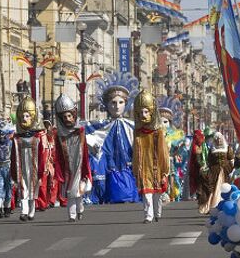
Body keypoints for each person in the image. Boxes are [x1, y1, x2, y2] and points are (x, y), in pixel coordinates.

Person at [86, 72, 139, 203]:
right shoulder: (100, 126)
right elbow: (86, 135)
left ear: (126, 104)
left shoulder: (133, 126)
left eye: (121, 102)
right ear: (107, 104)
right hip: (109, 169)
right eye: (113, 102)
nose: (117, 106)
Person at [53, 94, 92, 222]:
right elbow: (58, 153)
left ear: (74, 115)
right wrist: (58, 168)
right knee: (71, 192)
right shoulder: (59, 135)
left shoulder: (80, 131)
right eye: (64, 117)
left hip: (79, 167)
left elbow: (85, 150)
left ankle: (79, 210)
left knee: (78, 192)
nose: (67, 119)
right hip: (67, 168)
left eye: (69, 116)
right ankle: (72, 215)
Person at [132, 90, 170, 223]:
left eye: (146, 112)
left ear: (152, 112)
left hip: (157, 167)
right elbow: (136, 151)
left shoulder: (158, 132)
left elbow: (163, 152)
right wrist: (136, 167)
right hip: (144, 167)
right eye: (141, 112)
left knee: (157, 194)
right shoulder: (137, 132)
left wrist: (165, 170)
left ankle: (157, 213)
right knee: (146, 193)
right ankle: (148, 216)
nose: (143, 115)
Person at [11, 97, 47, 221]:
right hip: (21, 168)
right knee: (23, 187)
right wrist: (13, 173)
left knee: (32, 189)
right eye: (22, 117)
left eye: (27, 116)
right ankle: (24, 211)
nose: (24, 119)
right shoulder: (17, 138)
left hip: (34, 168)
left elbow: (42, 155)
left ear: (32, 117)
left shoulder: (37, 137)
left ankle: (31, 210)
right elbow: (13, 156)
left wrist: (42, 171)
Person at [202, 132, 234, 212]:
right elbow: (209, 160)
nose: (219, 141)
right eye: (217, 139)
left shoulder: (227, 148)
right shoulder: (212, 149)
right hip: (214, 171)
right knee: (213, 187)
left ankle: (225, 205)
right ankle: (214, 205)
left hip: (225, 170)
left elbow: (231, 158)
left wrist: (231, 168)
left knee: (225, 186)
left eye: (220, 139)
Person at [0, 120, 14, 218]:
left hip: (8, 167)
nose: (1, 136)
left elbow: (14, 157)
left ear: (6, 134)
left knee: (8, 188)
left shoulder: (11, 143)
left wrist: (15, 169)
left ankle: (7, 208)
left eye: (3, 134)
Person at [36, 119, 60, 211]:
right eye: (44, 125)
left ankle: (50, 201)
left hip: (51, 164)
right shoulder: (41, 136)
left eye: (47, 126)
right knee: (41, 184)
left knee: (52, 183)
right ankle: (41, 203)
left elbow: (54, 151)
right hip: (42, 164)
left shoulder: (52, 137)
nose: (46, 128)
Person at [189, 130, 210, 213]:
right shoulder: (195, 146)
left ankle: (206, 205)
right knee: (201, 189)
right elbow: (197, 157)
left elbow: (207, 155)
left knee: (206, 188)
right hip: (198, 170)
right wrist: (202, 165)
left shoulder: (204, 145)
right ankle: (202, 205)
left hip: (206, 169)